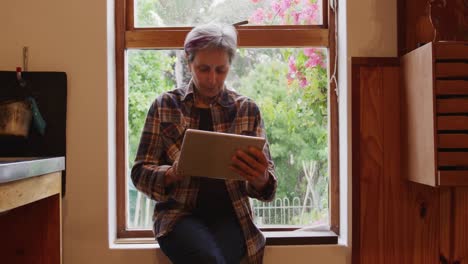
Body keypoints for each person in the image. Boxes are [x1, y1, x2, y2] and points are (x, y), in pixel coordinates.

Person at [131, 23, 277, 264]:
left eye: (221, 70)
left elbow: (268, 187)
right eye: (203, 69)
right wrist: (171, 174)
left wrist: (259, 178)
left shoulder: (247, 109)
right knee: (208, 259)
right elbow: (139, 174)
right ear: (189, 64)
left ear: (230, 66)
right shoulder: (165, 106)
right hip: (178, 216)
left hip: (233, 216)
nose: (212, 79)